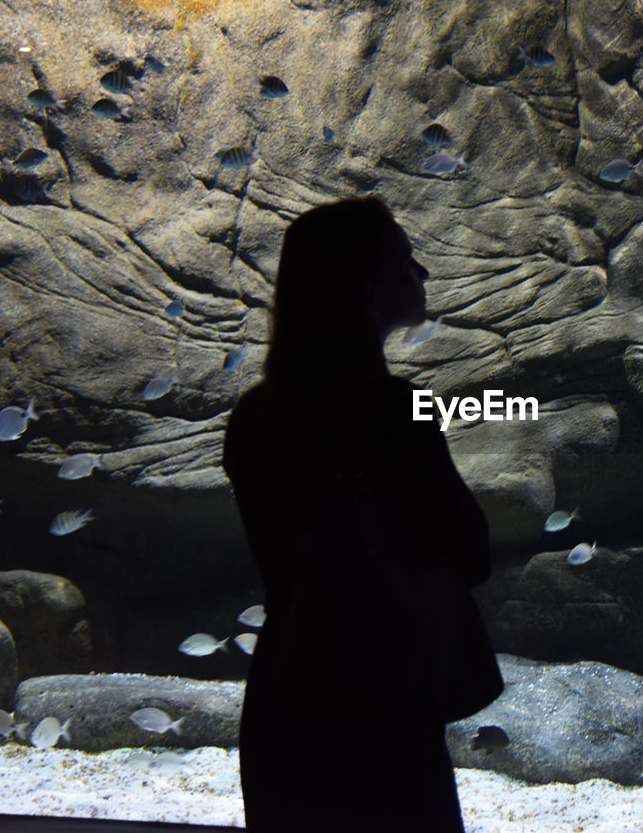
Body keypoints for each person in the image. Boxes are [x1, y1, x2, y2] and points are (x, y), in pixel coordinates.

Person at [223, 197, 503, 831]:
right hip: (381, 705)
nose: (422, 274)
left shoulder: (253, 417)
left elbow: (281, 577)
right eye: (407, 261)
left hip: (288, 698)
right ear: (368, 288)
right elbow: (472, 553)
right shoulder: (398, 409)